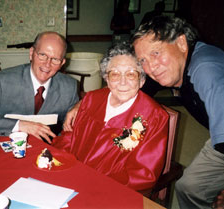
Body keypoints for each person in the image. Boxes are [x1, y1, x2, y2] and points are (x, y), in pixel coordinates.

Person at [132, 16, 224, 209]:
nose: (151, 66)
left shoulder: (206, 69)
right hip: (221, 142)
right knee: (189, 188)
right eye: (142, 60)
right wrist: (82, 105)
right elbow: (130, 91)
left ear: (181, 43)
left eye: (155, 52)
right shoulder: (171, 66)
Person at [52, 42, 169, 191]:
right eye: (115, 74)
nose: (122, 81)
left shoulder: (153, 117)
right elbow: (68, 138)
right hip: (71, 177)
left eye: (131, 74)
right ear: (106, 78)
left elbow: (143, 173)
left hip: (107, 190)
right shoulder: (91, 100)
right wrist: (64, 165)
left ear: (142, 80)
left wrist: (93, 184)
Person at [0, 31, 79, 144]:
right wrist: (19, 125)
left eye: (55, 59)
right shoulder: (1, 82)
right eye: (43, 55)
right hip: (5, 149)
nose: (47, 64)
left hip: (47, 153)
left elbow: (73, 127)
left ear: (62, 63)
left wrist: (80, 104)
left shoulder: (69, 87)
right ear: (31, 53)